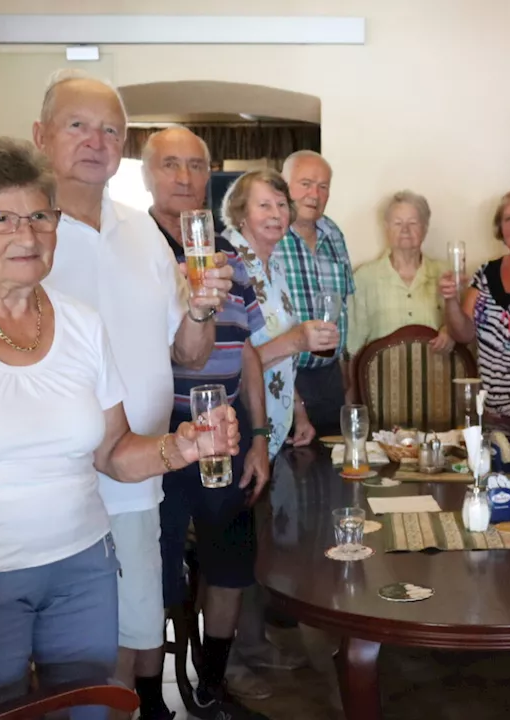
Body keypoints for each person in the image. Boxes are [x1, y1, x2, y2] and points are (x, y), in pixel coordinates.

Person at [0, 137, 238, 720]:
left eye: (41, 215)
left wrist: (183, 445)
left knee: (91, 713)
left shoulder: (80, 325)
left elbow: (115, 452)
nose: (26, 234)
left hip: (84, 570)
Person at [136, 126, 283, 718]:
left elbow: (247, 351)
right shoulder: (134, 252)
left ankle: (212, 685)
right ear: (148, 174)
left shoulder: (229, 257)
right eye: (169, 164)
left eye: (195, 165)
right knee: (156, 577)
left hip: (226, 425)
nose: (183, 176)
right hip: (159, 432)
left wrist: (260, 437)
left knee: (229, 563)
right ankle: (153, 701)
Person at [221, 169, 339, 692]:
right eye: (265, 206)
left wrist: (301, 412)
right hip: (234, 425)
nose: (277, 215)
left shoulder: (274, 264)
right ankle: (226, 665)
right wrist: (295, 341)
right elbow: (227, 361)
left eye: (281, 205)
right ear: (240, 213)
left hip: (273, 422)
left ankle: (254, 644)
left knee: (259, 544)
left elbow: (279, 361)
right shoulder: (227, 264)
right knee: (233, 548)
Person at [440, 188, 510, 422]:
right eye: (508, 219)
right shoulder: (486, 273)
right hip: (491, 414)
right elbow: (463, 333)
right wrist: (450, 300)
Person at [279, 150, 355, 437]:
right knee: (289, 476)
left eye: (323, 187)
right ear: (284, 187)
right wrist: (298, 408)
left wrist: (347, 385)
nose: (315, 193)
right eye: (305, 183)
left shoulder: (333, 232)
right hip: (285, 379)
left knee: (336, 472)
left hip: (330, 379)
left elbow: (343, 309)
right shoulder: (270, 235)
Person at [347, 190, 454, 355]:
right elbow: (353, 347)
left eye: (413, 223)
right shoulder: (364, 278)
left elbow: (464, 329)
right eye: (397, 223)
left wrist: (450, 331)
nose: (405, 230)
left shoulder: (445, 274)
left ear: (425, 228)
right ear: (386, 228)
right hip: (381, 377)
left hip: (437, 375)